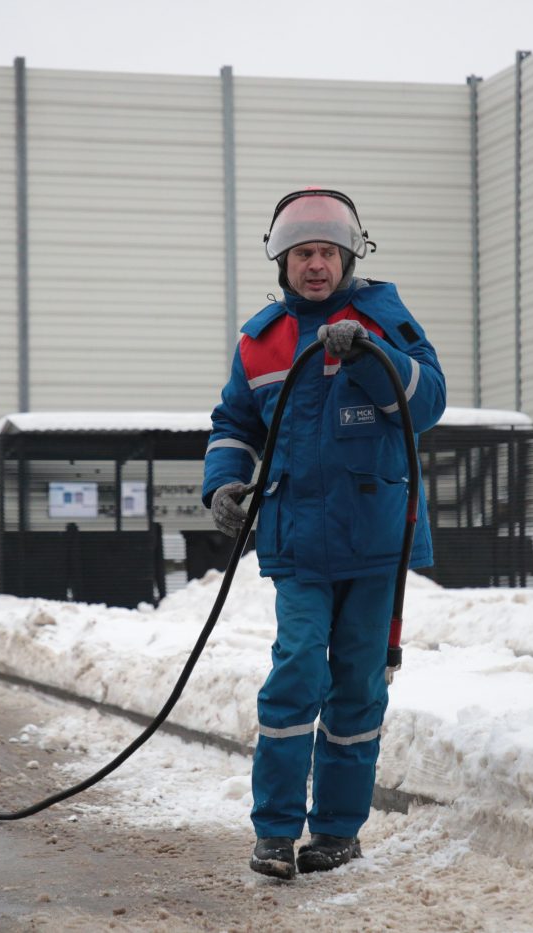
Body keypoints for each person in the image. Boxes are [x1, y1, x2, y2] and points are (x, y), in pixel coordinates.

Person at [203, 187, 446, 879]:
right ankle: (275, 831)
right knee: (299, 668)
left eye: (328, 253)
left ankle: (338, 830)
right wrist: (224, 484)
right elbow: (235, 424)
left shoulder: (383, 317)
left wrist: (371, 355)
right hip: (297, 538)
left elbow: (426, 403)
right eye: (304, 253)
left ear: (349, 258)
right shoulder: (260, 340)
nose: (316, 265)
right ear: (282, 262)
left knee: (358, 687)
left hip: (375, 540)